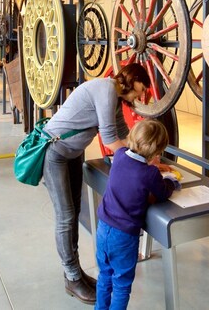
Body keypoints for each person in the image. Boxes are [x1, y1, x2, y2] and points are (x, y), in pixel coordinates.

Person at [41, 63, 151, 304]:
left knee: (75, 211)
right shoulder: (107, 90)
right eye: (141, 88)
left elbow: (124, 134)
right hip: (55, 152)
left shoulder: (115, 98)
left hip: (73, 153)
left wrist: (145, 154)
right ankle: (71, 277)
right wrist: (142, 165)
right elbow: (111, 138)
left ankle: (76, 273)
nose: (141, 95)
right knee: (66, 216)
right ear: (132, 79)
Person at [95, 120, 179, 309]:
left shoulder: (120, 155)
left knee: (104, 276)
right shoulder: (150, 173)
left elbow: (132, 173)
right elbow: (163, 193)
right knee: (122, 285)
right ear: (157, 152)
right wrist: (172, 182)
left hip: (103, 228)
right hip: (124, 236)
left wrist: (153, 166)